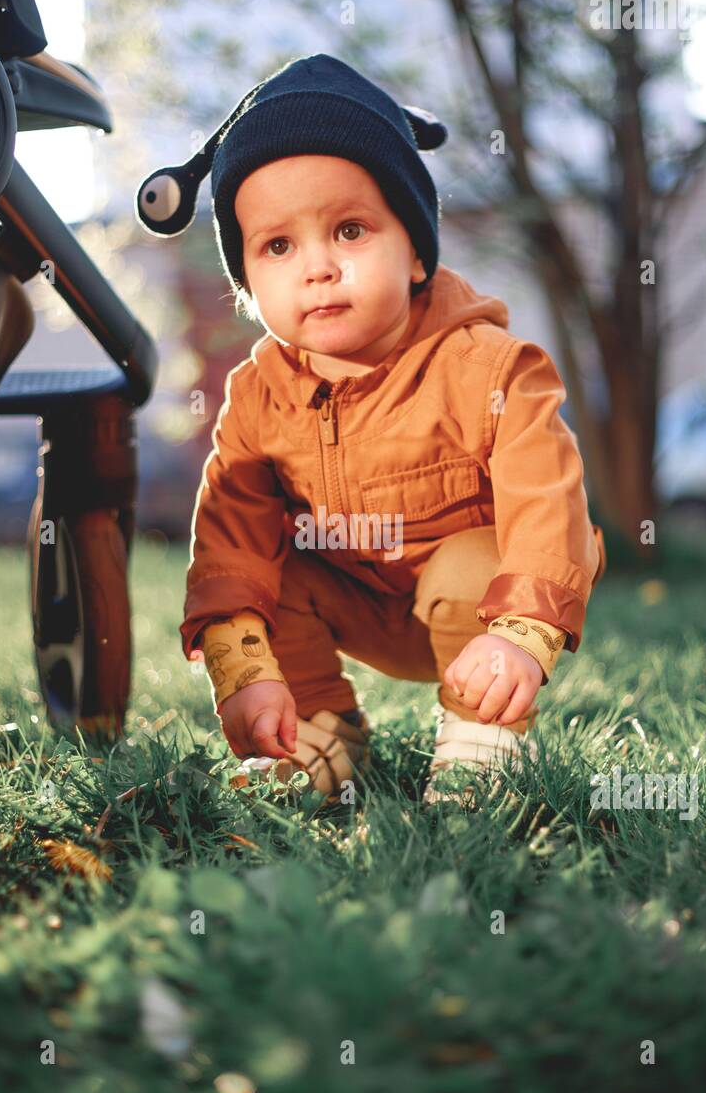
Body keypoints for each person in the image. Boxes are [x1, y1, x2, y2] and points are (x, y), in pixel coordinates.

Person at [177, 53, 606, 805]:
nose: (317, 267)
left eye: (349, 230)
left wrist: (523, 634)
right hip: (357, 596)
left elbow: (550, 505)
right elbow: (229, 540)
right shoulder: (257, 397)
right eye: (278, 246)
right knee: (265, 574)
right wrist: (243, 671)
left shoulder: (490, 369)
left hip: (481, 606)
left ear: (414, 250)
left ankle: (480, 745)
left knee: (470, 565)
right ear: (247, 284)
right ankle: (315, 736)